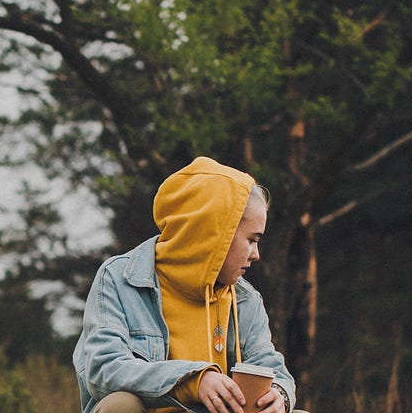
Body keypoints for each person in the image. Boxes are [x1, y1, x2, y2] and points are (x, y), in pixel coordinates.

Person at [73, 157, 297, 413]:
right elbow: (103, 370)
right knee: (121, 405)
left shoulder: (245, 298)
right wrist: (193, 380)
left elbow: (269, 366)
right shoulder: (119, 279)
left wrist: (279, 394)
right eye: (251, 240)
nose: (256, 254)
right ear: (214, 234)